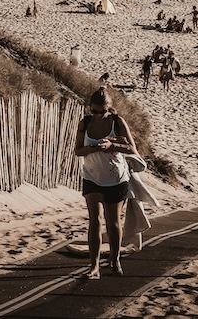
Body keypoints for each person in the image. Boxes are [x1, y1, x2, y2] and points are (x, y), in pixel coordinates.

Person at [74, 87, 137, 279]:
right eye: (94, 111)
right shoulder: (85, 122)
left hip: (116, 179)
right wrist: (92, 148)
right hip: (92, 177)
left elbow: (132, 148)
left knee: (113, 222)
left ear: (108, 109)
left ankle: (115, 259)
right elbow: (77, 150)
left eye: (101, 112)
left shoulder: (117, 122)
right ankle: (94, 267)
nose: (98, 115)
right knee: (95, 220)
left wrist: (112, 146)